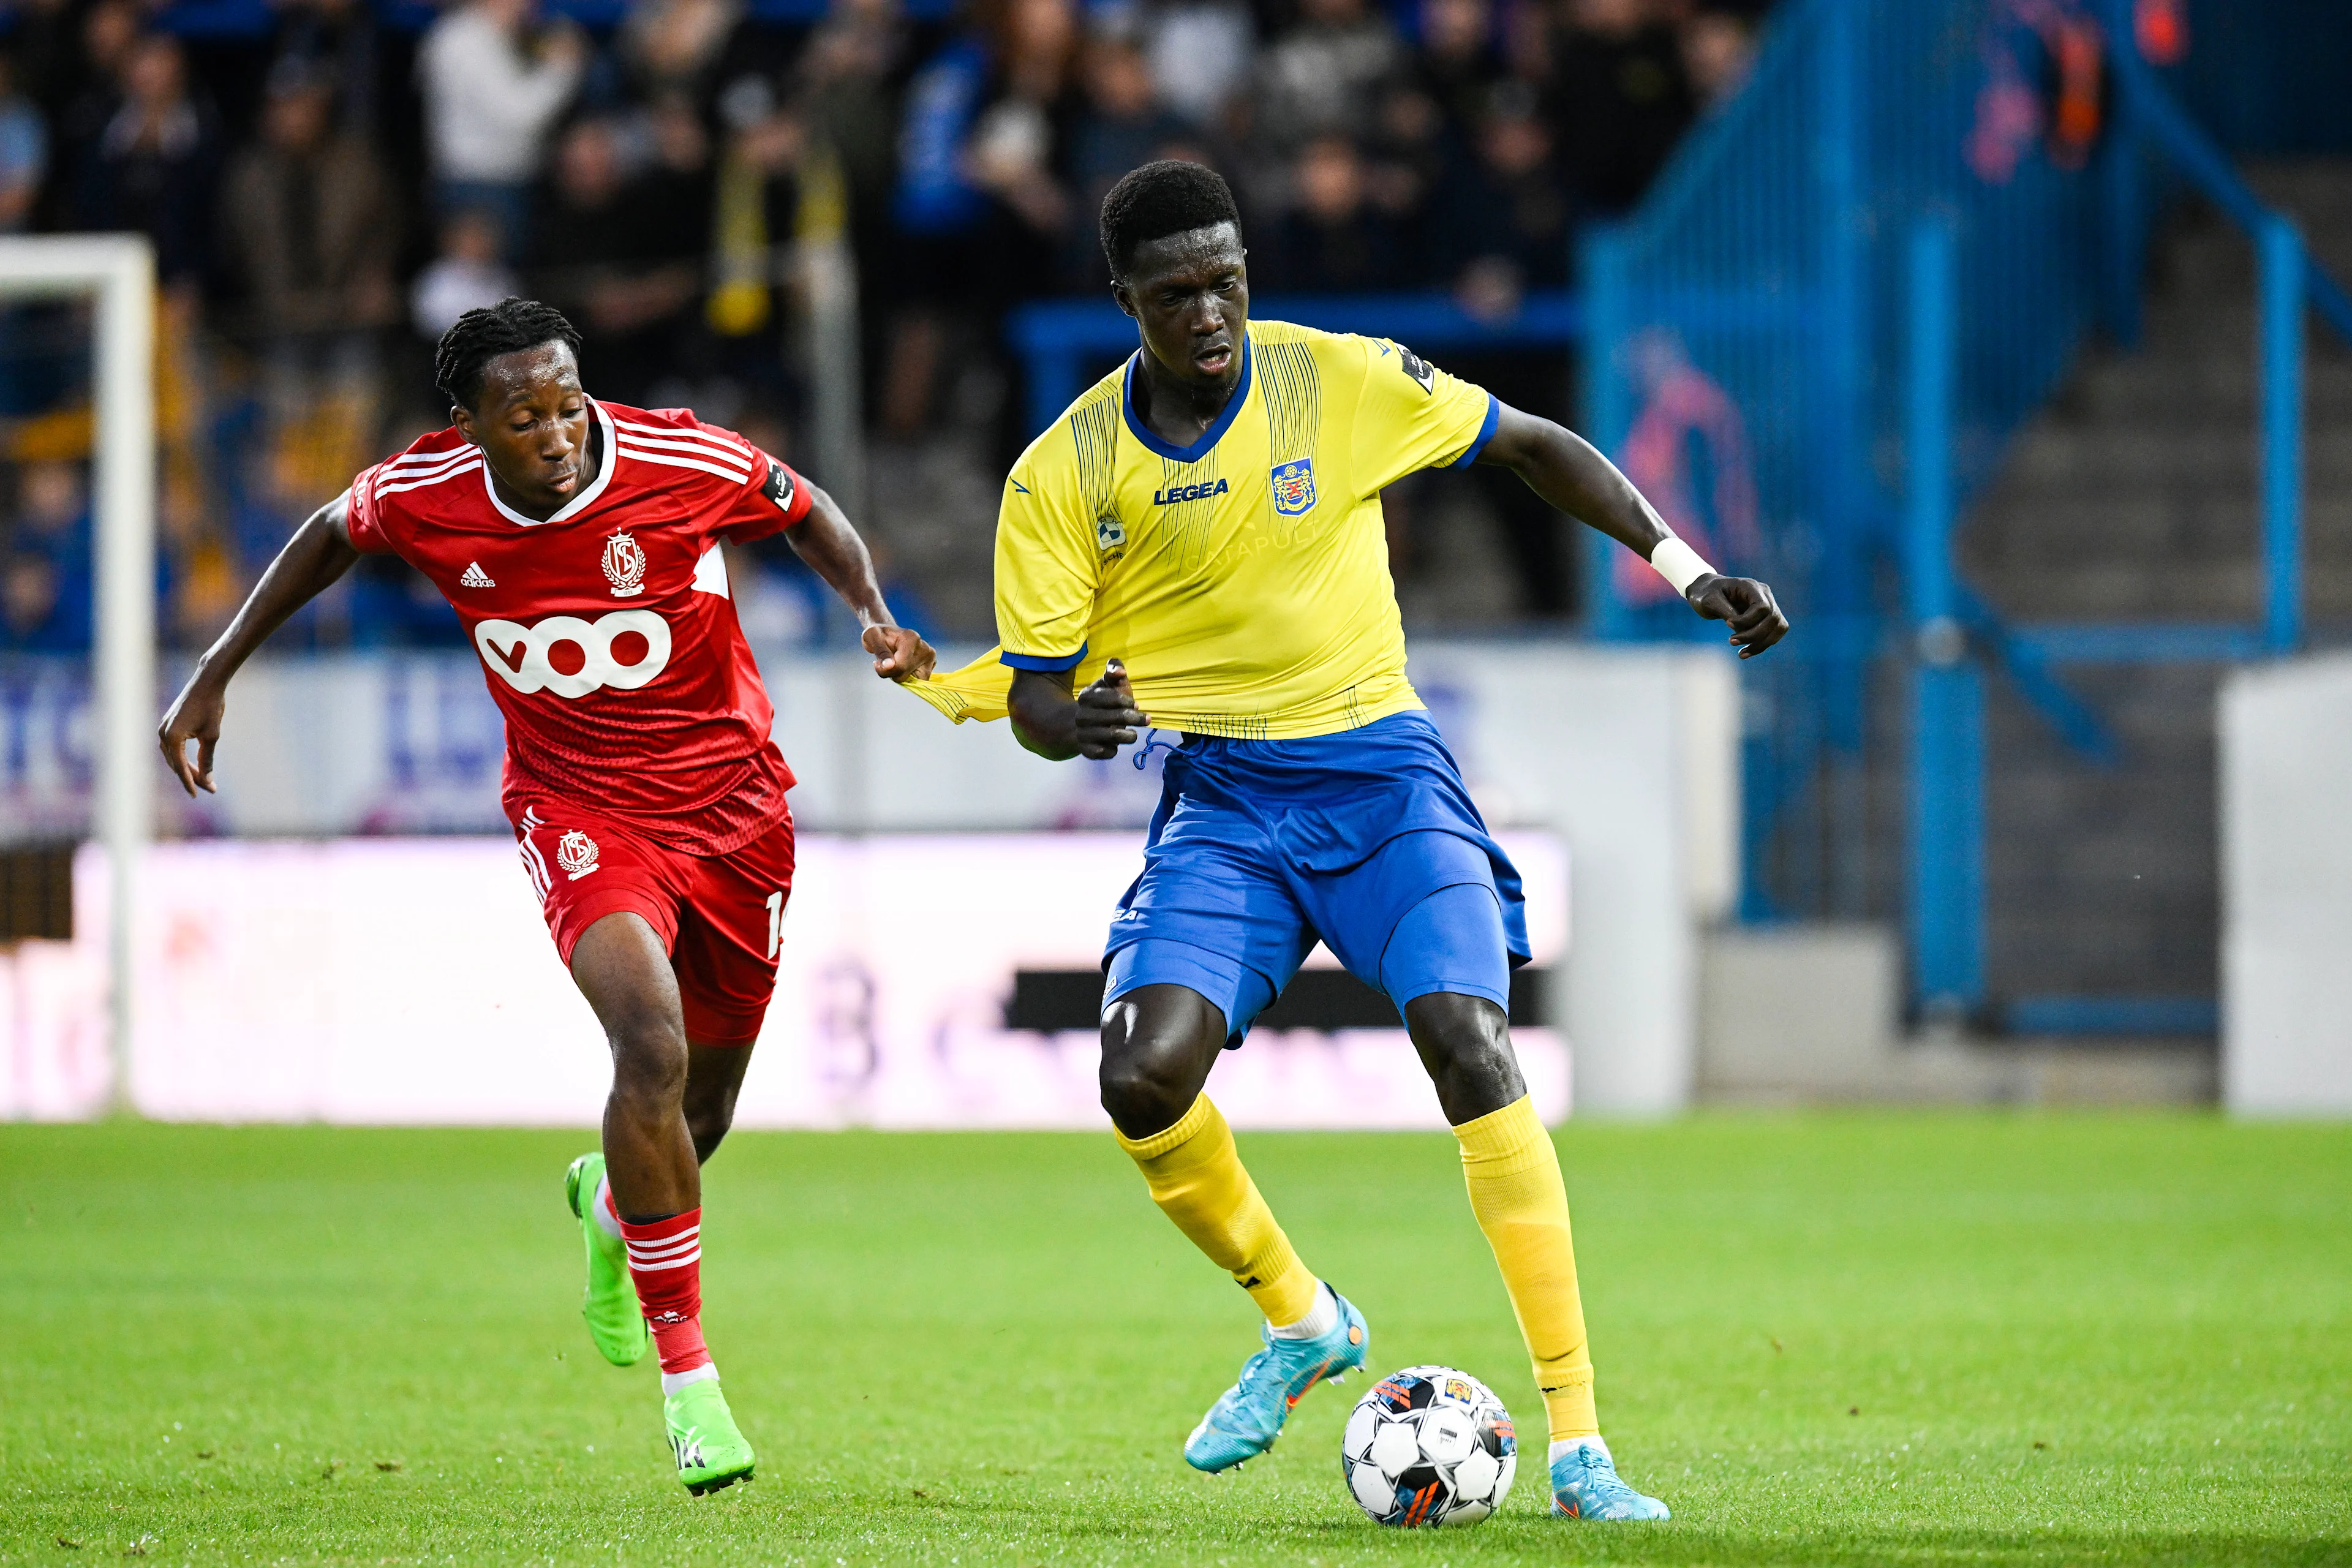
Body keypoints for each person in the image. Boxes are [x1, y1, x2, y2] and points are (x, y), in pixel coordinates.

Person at [901, 162, 1785, 1519]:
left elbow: (1533, 442)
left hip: (1382, 779)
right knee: (1140, 1074)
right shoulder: (1065, 469)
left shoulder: (1338, 380)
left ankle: (1582, 1443)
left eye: (1228, 279)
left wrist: (1684, 566)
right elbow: (1030, 694)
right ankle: (1304, 1319)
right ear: (1123, 299)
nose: (1212, 312)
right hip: (1228, 806)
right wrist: (1072, 720)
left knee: (1470, 1041)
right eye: (1177, 291)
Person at [157, 298, 935, 1495]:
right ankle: (693, 1388)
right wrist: (215, 670)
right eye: (524, 416)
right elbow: (327, 530)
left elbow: (805, 506)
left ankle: (613, 1209)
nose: (559, 431)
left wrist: (874, 612)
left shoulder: (678, 457)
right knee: (650, 1042)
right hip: (581, 814)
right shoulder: (422, 494)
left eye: (568, 401)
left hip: (736, 811)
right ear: (468, 427)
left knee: (701, 1115)